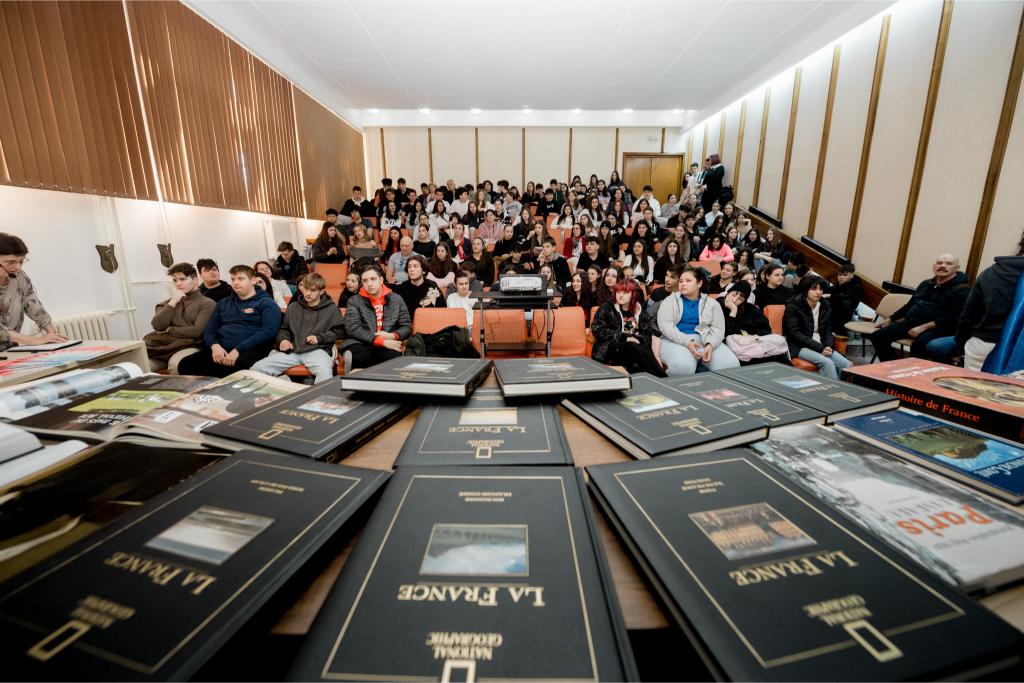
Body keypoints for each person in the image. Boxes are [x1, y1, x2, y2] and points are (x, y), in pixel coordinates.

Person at [931, 233, 1024, 369]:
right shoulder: (927, 284)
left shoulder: (992, 272)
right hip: (1011, 348)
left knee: (972, 383)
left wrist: (962, 342)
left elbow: (969, 315)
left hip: (983, 343)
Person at [178, 265, 281, 377]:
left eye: (240, 279)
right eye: (233, 279)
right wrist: (215, 346)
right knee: (185, 364)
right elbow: (209, 330)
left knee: (233, 367)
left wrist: (238, 350)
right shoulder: (223, 303)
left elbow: (268, 331)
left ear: (252, 280)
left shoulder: (266, 303)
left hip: (252, 348)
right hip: (222, 347)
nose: (235, 283)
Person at [869, 253, 970, 362]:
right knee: (878, 336)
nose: (942, 266)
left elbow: (954, 317)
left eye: (948, 264)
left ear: (957, 268)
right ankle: (892, 367)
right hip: (912, 323)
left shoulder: (963, 289)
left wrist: (923, 327)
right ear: (934, 266)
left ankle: (913, 370)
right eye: (939, 263)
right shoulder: (925, 283)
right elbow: (910, 305)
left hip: (940, 328)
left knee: (920, 344)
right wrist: (890, 318)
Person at [250, 273, 344, 384]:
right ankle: (287, 388)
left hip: (318, 351)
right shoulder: (293, 307)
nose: (308, 293)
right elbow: (284, 329)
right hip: (293, 351)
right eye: (306, 289)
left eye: (312, 290)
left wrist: (320, 338)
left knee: (324, 372)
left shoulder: (332, 309)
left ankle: (318, 395)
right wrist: (283, 340)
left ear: (322, 291)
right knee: (257, 368)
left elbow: (340, 332)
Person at [657, 267, 740, 375]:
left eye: (688, 281)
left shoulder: (712, 304)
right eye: (681, 281)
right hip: (675, 340)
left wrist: (710, 345)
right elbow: (666, 327)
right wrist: (687, 342)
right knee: (683, 368)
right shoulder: (670, 301)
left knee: (730, 365)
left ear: (699, 283)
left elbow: (718, 329)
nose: (683, 284)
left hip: (705, 340)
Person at [144, 262, 215, 370]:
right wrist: (173, 302)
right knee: (141, 364)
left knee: (175, 364)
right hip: (164, 347)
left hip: (190, 346)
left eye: (182, 279)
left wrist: (169, 329)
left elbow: (197, 331)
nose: (178, 284)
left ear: (196, 280)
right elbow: (157, 326)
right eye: (175, 280)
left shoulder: (207, 303)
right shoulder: (167, 303)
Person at [340, 264, 410, 372]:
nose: (369, 284)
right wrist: (380, 340)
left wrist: (392, 335)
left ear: (381, 280)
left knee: (393, 358)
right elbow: (353, 329)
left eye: (373, 279)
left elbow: (406, 327)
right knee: (361, 356)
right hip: (361, 342)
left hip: (388, 341)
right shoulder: (354, 301)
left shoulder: (396, 299)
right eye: (365, 280)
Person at [590, 278, 666, 376]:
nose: (620, 295)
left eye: (625, 292)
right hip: (608, 349)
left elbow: (648, 332)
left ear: (633, 294)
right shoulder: (607, 307)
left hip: (634, 349)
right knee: (634, 348)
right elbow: (597, 329)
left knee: (638, 355)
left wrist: (638, 339)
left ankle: (645, 380)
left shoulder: (638, 310)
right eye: (618, 292)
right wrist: (624, 337)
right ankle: (663, 378)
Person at [783, 275, 851, 379]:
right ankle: (831, 389)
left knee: (845, 364)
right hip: (800, 346)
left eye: (821, 289)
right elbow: (795, 333)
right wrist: (820, 348)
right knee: (828, 363)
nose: (818, 292)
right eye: (814, 289)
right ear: (805, 290)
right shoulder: (793, 306)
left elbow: (827, 330)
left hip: (821, 344)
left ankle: (841, 387)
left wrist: (829, 345)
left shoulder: (825, 305)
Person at [719, 281, 789, 366]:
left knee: (779, 357)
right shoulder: (717, 306)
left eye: (740, 298)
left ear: (744, 300)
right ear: (728, 293)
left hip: (753, 344)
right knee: (758, 361)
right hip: (733, 348)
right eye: (734, 295)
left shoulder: (751, 309)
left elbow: (765, 329)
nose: (735, 300)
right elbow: (727, 332)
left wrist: (752, 336)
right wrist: (733, 311)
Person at [829, 262, 863, 335]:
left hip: (846, 310)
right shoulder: (839, 285)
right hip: (838, 309)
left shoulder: (856, 286)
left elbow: (849, 297)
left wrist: (831, 296)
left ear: (852, 275)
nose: (841, 277)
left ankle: (838, 332)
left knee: (845, 303)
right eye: (839, 275)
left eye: (845, 275)